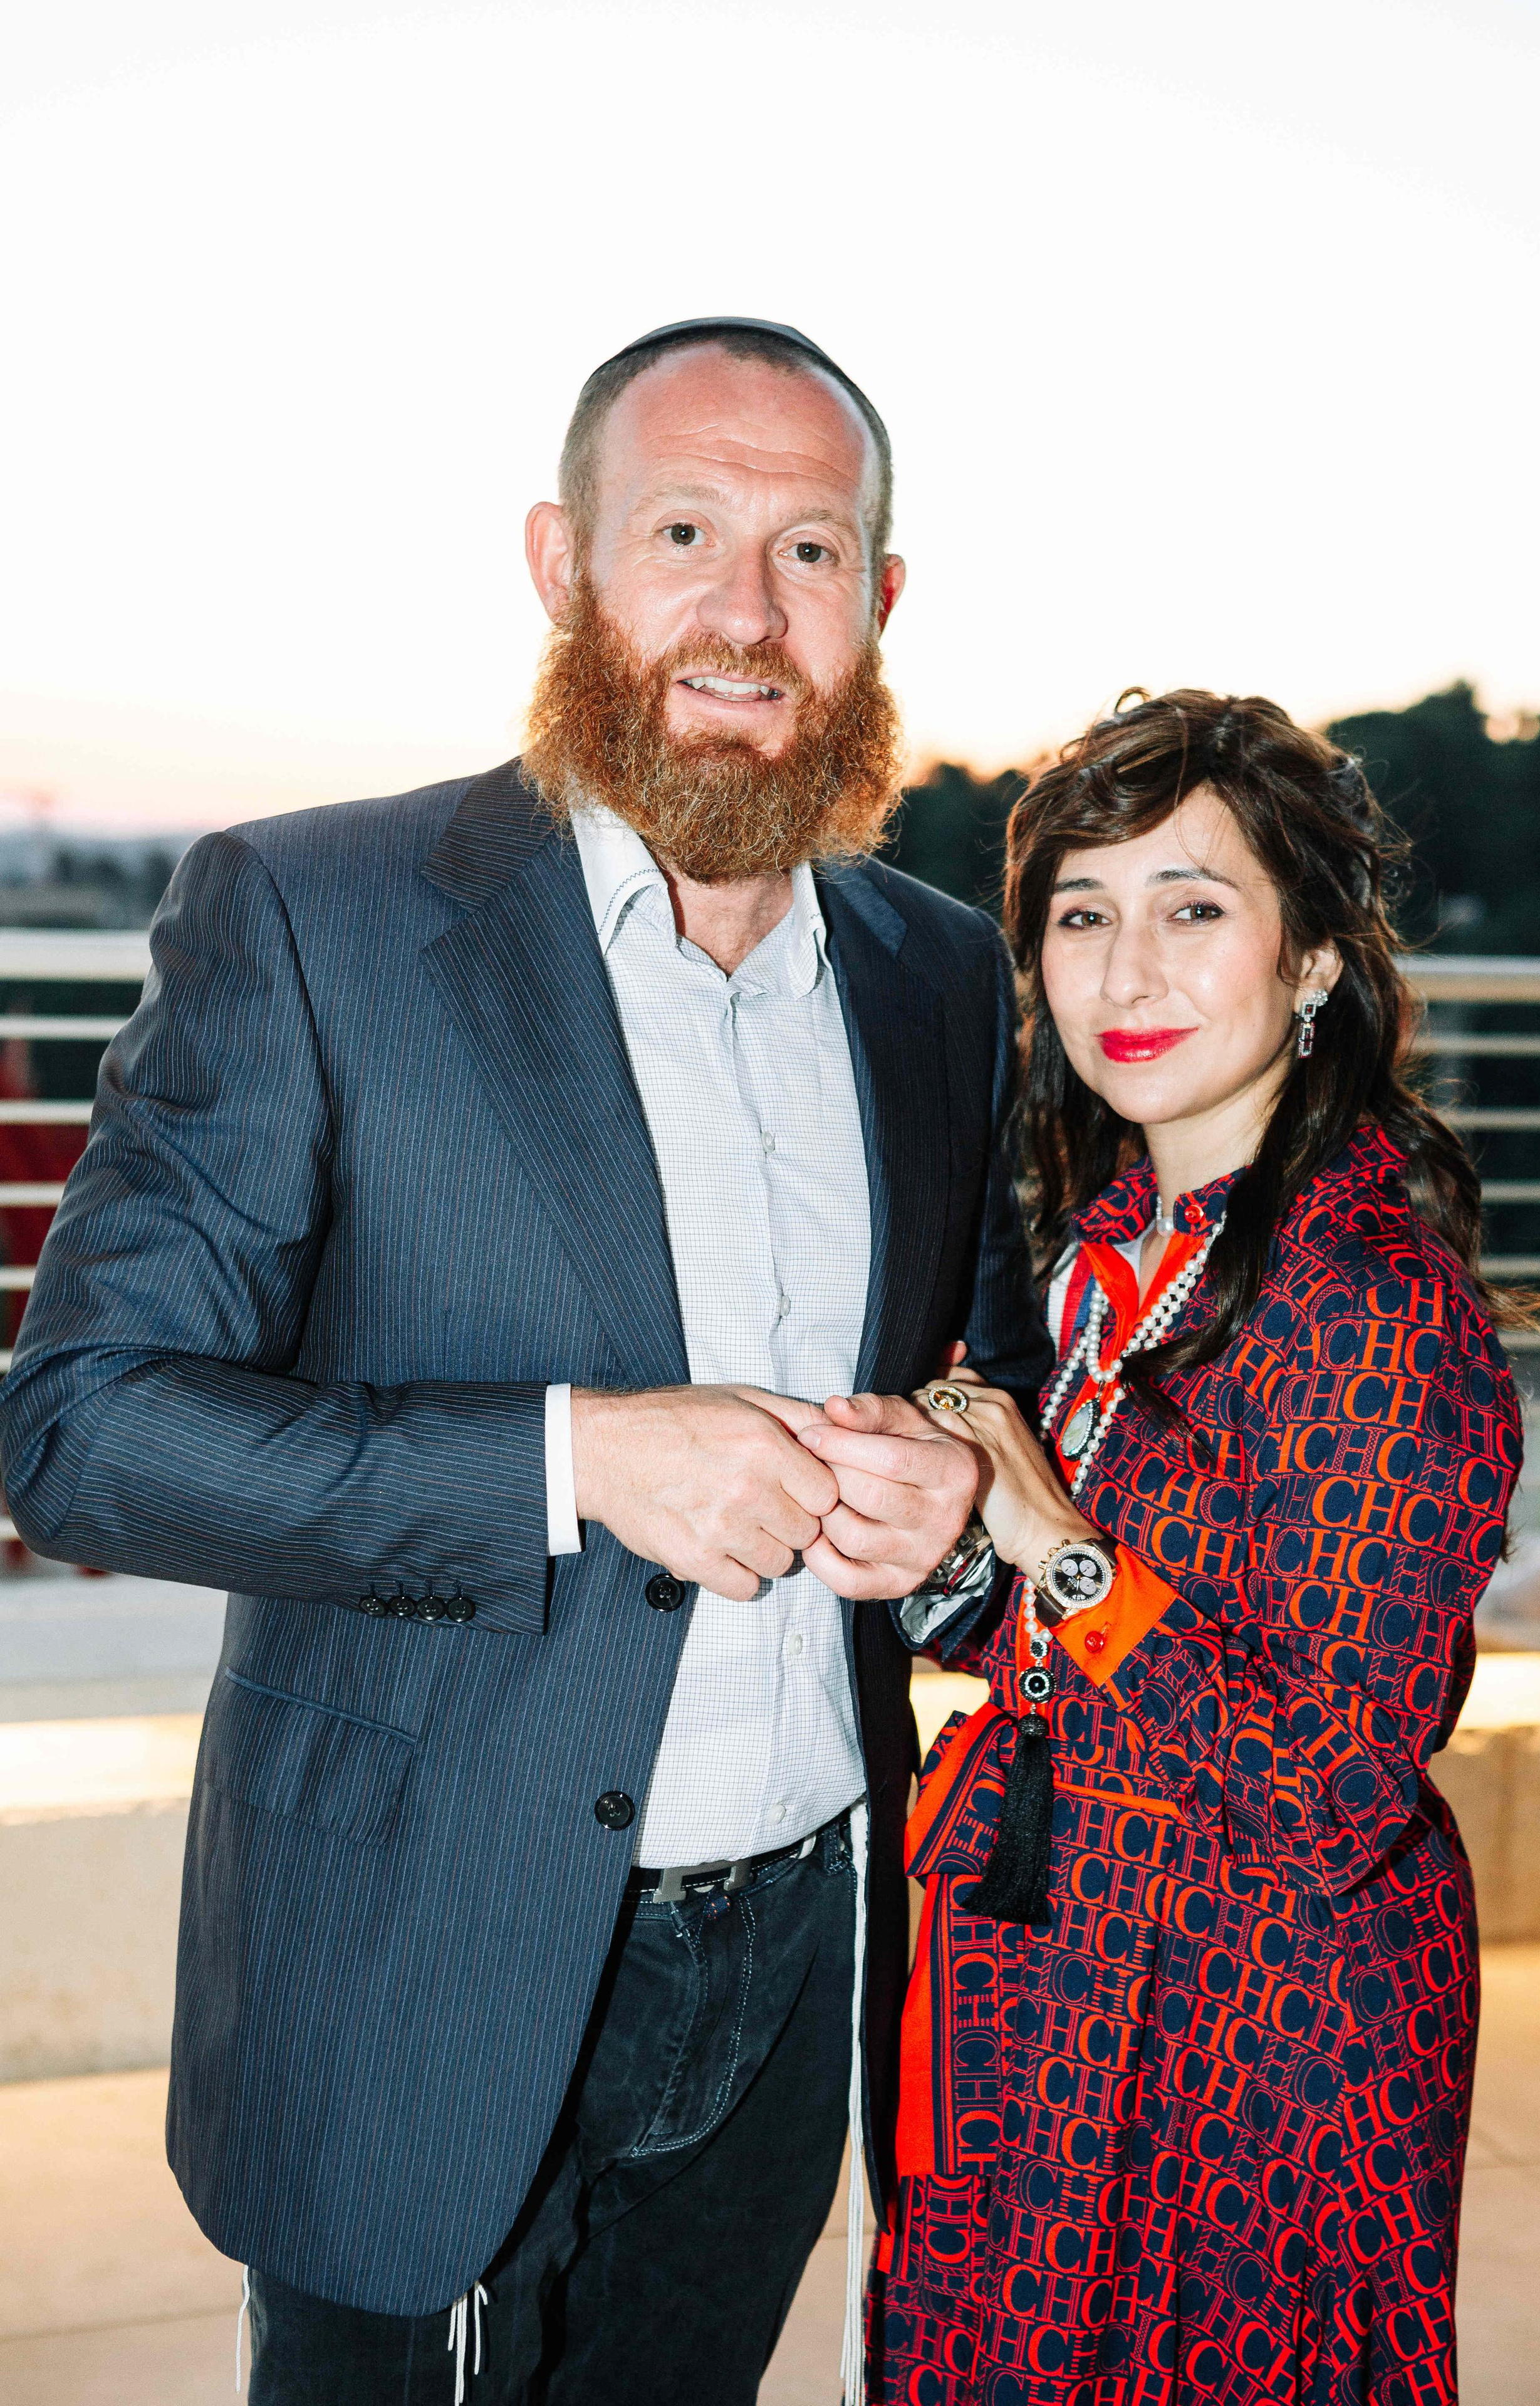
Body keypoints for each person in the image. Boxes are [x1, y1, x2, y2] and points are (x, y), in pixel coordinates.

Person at [0, 318, 1053, 2404]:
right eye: (683, 532)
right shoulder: (311, 914)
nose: (747, 615)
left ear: (883, 603)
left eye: (813, 551)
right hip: (424, 1969)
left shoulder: (941, 978)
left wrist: (947, 1515)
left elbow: (977, 1390)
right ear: (564, 564)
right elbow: (81, 1432)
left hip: (802, 1961)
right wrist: (571, 1459)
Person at [872, 690, 1522, 2405]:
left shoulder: (1375, 1302)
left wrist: (1062, 1547)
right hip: (1072, 1979)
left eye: (1193, 908)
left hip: (1261, 2032)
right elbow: (1074, 1636)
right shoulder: (1121, 1251)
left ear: (1311, 962)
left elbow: (1330, 1782)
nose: (1125, 971)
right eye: (1081, 915)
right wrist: (942, 1553)